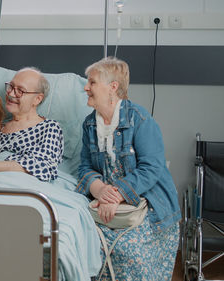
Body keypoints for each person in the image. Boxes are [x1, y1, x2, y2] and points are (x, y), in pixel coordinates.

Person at [74, 57, 180, 280]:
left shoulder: (139, 119)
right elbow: (84, 166)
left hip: (147, 205)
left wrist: (116, 195)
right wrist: (100, 190)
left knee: (129, 252)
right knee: (86, 245)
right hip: (107, 204)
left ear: (113, 87)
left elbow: (152, 168)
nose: (85, 87)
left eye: (92, 82)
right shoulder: (89, 124)